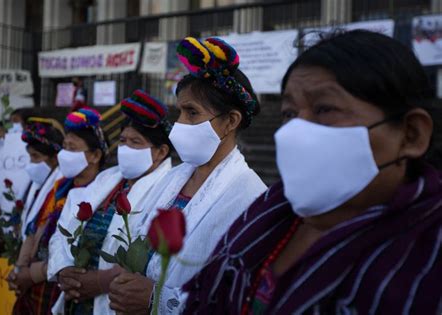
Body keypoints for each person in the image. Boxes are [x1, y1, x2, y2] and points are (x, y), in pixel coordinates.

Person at [182, 30, 442, 315]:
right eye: (290, 114)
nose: (295, 132)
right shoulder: (269, 210)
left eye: (325, 108)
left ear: (411, 135)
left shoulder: (426, 260)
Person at [108, 37, 267, 314]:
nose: (179, 124)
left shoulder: (251, 198)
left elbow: (241, 296)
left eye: (192, 113)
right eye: (179, 111)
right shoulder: (174, 178)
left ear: (230, 121)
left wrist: (157, 299)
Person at [48, 89, 174, 315]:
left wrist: (102, 281)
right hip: (76, 300)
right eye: (123, 141)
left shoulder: (170, 191)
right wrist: (63, 269)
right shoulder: (108, 178)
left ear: (161, 152)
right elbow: (63, 228)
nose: (125, 148)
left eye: (136, 142)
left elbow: (157, 259)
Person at [8, 108, 107, 315]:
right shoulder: (59, 186)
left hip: (59, 287)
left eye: (72, 148)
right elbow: (35, 228)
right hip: (36, 285)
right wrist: (19, 269)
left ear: (95, 155)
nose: (64, 154)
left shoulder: (102, 197)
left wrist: (31, 274)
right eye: (64, 146)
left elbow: (75, 257)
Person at [19, 117, 65, 241]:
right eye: (30, 156)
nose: (31, 163)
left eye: (36, 156)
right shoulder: (33, 184)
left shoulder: (62, 188)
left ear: (55, 158)